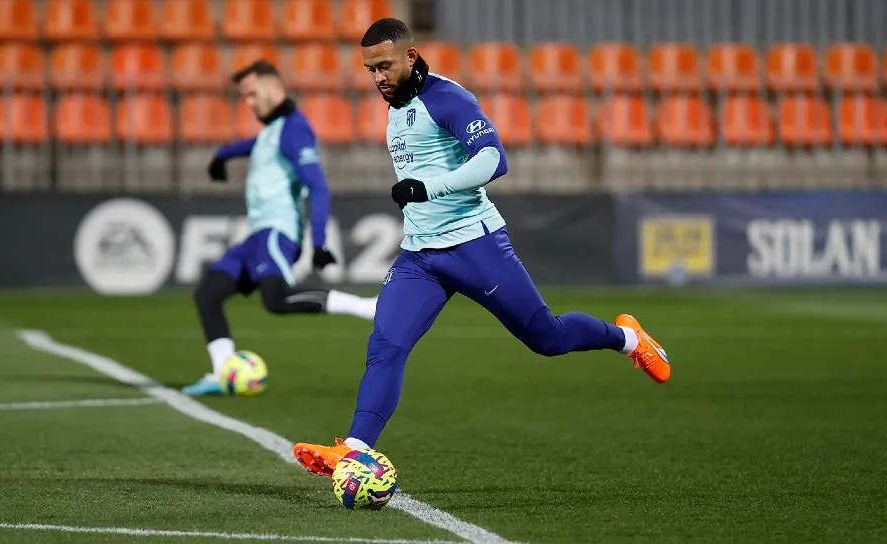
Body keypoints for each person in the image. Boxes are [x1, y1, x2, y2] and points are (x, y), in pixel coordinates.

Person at [293, 19, 670, 472]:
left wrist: (428, 188)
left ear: (411, 57)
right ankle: (355, 449)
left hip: (475, 245)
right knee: (385, 345)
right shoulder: (396, 102)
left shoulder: (447, 98)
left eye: (385, 66)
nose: (377, 78)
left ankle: (628, 338)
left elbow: (494, 159)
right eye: (370, 70)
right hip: (420, 256)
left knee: (546, 338)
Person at [182, 60, 378, 397]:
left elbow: (318, 186)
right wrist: (221, 156)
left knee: (275, 299)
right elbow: (251, 146)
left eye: (252, 94)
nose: (248, 103)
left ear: (273, 86)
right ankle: (222, 372)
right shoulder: (272, 131)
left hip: (277, 232)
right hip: (256, 236)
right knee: (208, 293)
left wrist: (318, 242)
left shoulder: (294, 129)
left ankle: (368, 308)